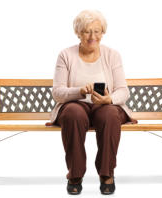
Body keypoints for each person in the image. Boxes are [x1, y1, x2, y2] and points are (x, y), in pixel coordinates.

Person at [49, 10, 137, 195]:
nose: (92, 36)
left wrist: (109, 99)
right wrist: (79, 91)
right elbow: (57, 92)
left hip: (104, 105)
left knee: (110, 114)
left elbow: (123, 90)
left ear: (103, 32)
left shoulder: (112, 55)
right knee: (73, 113)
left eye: (97, 31)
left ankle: (107, 173)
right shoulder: (66, 55)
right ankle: (75, 174)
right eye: (87, 31)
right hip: (75, 104)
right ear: (78, 33)